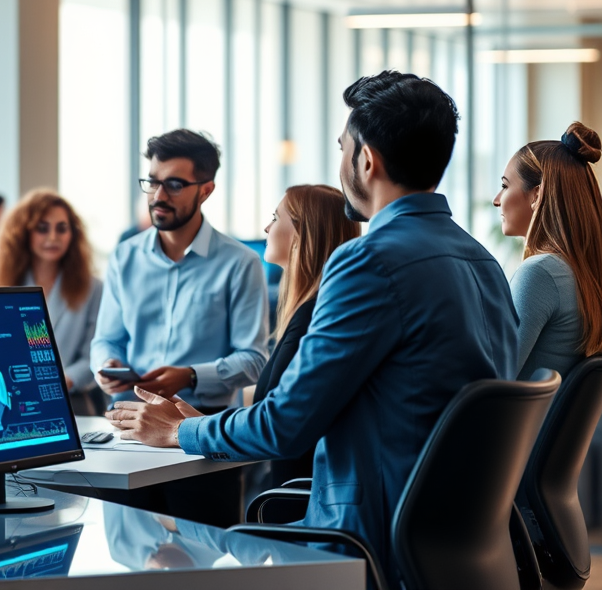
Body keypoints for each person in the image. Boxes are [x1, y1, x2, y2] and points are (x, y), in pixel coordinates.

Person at [106, 71, 520, 582]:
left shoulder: (368, 261)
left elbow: (284, 425)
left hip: (362, 545)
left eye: (343, 147)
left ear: (366, 160)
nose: (341, 160)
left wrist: (180, 431)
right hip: (456, 544)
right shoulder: (483, 262)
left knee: (164, 544)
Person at [90, 128, 269, 526]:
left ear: (205, 190)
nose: (157, 195)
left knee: (205, 560)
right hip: (129, 427)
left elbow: (255, 359)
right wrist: (105, 364)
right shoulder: (124, 257)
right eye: (152, 181)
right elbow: (106, 337)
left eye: (173, 184)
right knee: (127, 558)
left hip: (202, 432)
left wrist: (188, 376)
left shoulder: (240, 264)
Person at [493, 122, 602, 380]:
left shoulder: (540, 273)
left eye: (505, 185)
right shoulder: (578, 272)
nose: (496, 199)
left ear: (536, 195)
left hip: (518, 421)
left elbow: (494, 375)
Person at [254, 184, 360, 488]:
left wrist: (189, 427)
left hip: (295, 503)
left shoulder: (312, 318)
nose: (266, 227)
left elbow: (275, 424)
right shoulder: (318, 310)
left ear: (302, 233)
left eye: (275, 218)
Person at [0, 189, 102, 411]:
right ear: (24, 233)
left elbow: (95, 356)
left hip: (73, 402)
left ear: (73, 234)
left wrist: (61, 381)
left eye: (62, 228)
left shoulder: (93, 288)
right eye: (42, 229)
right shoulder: (4, 287)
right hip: (17, 401)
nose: (53, 238)